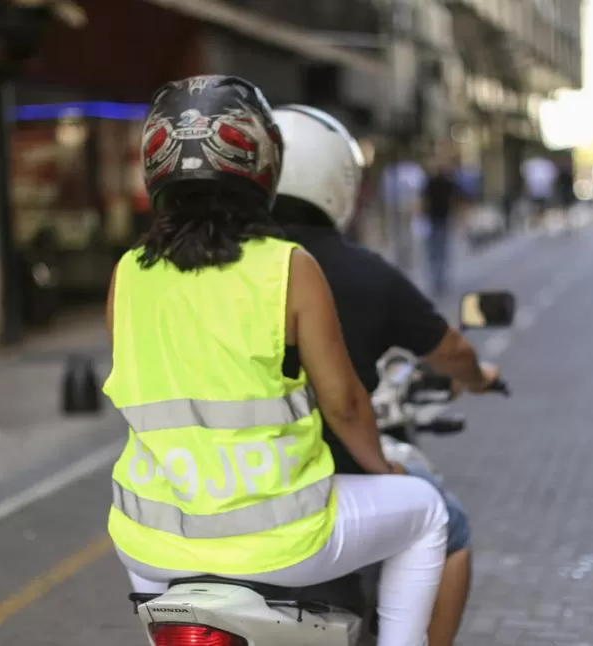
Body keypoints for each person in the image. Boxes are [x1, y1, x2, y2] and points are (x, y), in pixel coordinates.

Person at [104, 76, 448, 646]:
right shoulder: (289, 266)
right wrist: (383, 469)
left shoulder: (127, 273)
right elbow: (342, 400)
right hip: (282, 540)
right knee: (428, 512)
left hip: (148, 542)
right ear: (263, 165)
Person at [271, 105, 501, 646]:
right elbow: (352, 399)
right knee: (448, 523)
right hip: (326, 484)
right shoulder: (352, 270)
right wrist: (477, 378)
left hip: (206, 498)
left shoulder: (219, 268)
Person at [422, 155, 460, 297]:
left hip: (436, 218)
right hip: (438, 219)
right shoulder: (441, 182)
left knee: (436, 250)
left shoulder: (434, 182)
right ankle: (439, 278)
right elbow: (453, 201)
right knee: (440, 250)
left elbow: (425, 201)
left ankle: (438, 278)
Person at [521, 155, 557, 231]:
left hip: (541, 190)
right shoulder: (533, 164)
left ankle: (538, 220)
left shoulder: (540, 164)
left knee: (539, 206)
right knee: (537, 206)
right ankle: (537, 220)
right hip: (537, 190)